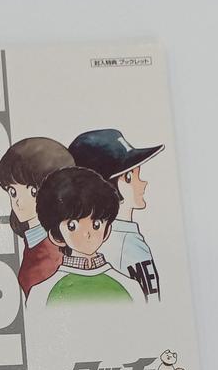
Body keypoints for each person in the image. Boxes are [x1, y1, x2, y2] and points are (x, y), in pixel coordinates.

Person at [68, 129, 165, 300]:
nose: (142, 183)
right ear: (106, 187)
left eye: (138, 174)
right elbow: (150, 304)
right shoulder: (127, 244)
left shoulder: (89, 239)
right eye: (129, 177)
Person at [36, 167, 144, 305]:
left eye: (96, 224)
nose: (87, 234)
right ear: (57, 237)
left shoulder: (130, 287)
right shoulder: (42, 293)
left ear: (107, 230)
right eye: (72, 226)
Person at [0, 137, 75, 296]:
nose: (19, 201)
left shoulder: (52, 252)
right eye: (12, 191)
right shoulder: (34, 241)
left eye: (33, 192)